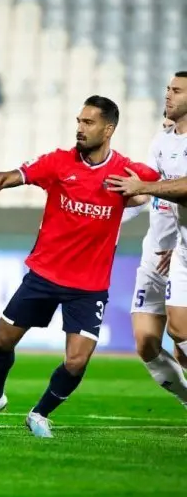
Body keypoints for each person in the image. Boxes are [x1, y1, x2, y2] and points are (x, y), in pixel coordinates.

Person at [0, 95, 158, 438]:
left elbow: (167, 185)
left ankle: (39, 414)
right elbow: (9, 177)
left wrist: (144, 190)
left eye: (88, 122)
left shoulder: (127, 171)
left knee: (77, 361)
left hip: (89, 286)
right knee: (2, 340)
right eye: (79, 121)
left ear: (108, 129)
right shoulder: (58, 162)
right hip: (44, 275)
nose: (80, 128)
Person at [107, 73, 187, 406]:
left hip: (178, 251)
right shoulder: (162, 140)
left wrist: (144, 188)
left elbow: (162, 187)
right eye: (167, 89)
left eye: (176, 90)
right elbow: (147, 191)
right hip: (156, 252)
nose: (168, 95)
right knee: (145, 341)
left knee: (180, 336)